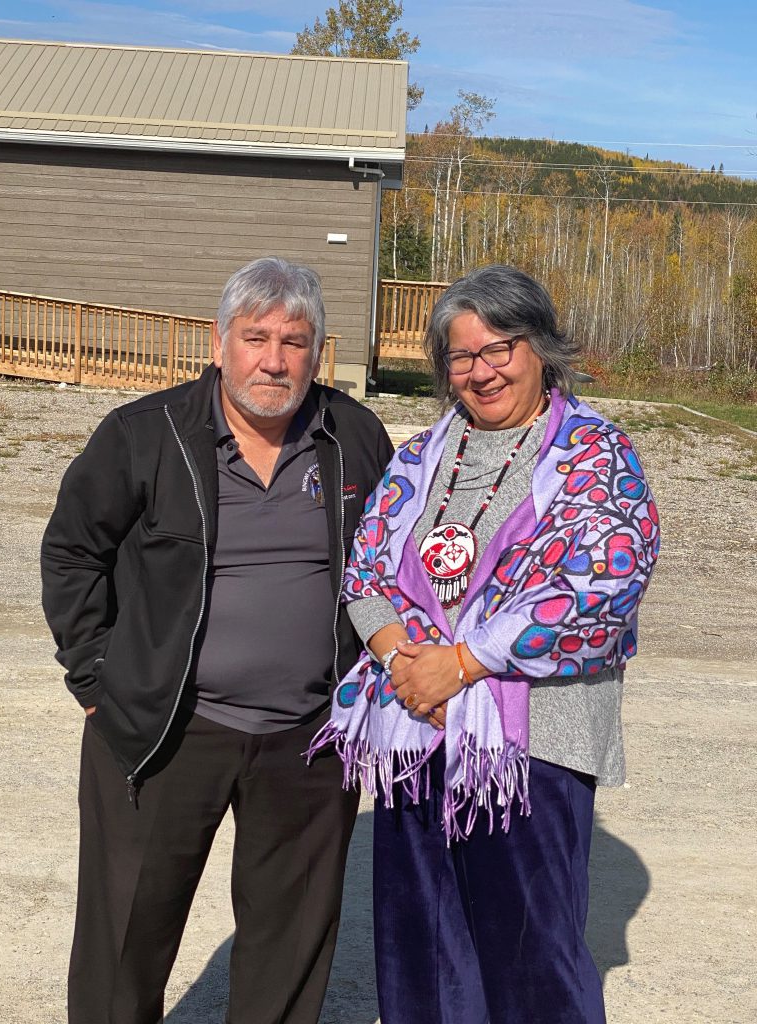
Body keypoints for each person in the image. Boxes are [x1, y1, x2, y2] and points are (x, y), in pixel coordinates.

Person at [40, 256, 393, 1024]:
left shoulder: (355, 437)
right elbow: (72, 552)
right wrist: (98, 685)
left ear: (318, 350)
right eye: (256, 337)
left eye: (294, 341)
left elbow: (393, 564)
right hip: (166, 731)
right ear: (219, 342)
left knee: (290, 944)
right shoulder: (144, 434)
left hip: (311, 739)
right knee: (125, 943)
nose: (274, 359)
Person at [308, 264, 660, 1023]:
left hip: (532, 745)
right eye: (461, 356)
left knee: (530, 960)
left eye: (499, 347)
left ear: (540, 348)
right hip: (417, 730)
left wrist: (462, 665)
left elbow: (599, 588)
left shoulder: (595, 456)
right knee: (423, 952)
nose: (481, 370)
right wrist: (410, 668)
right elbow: (364, 573)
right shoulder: (422, 455)